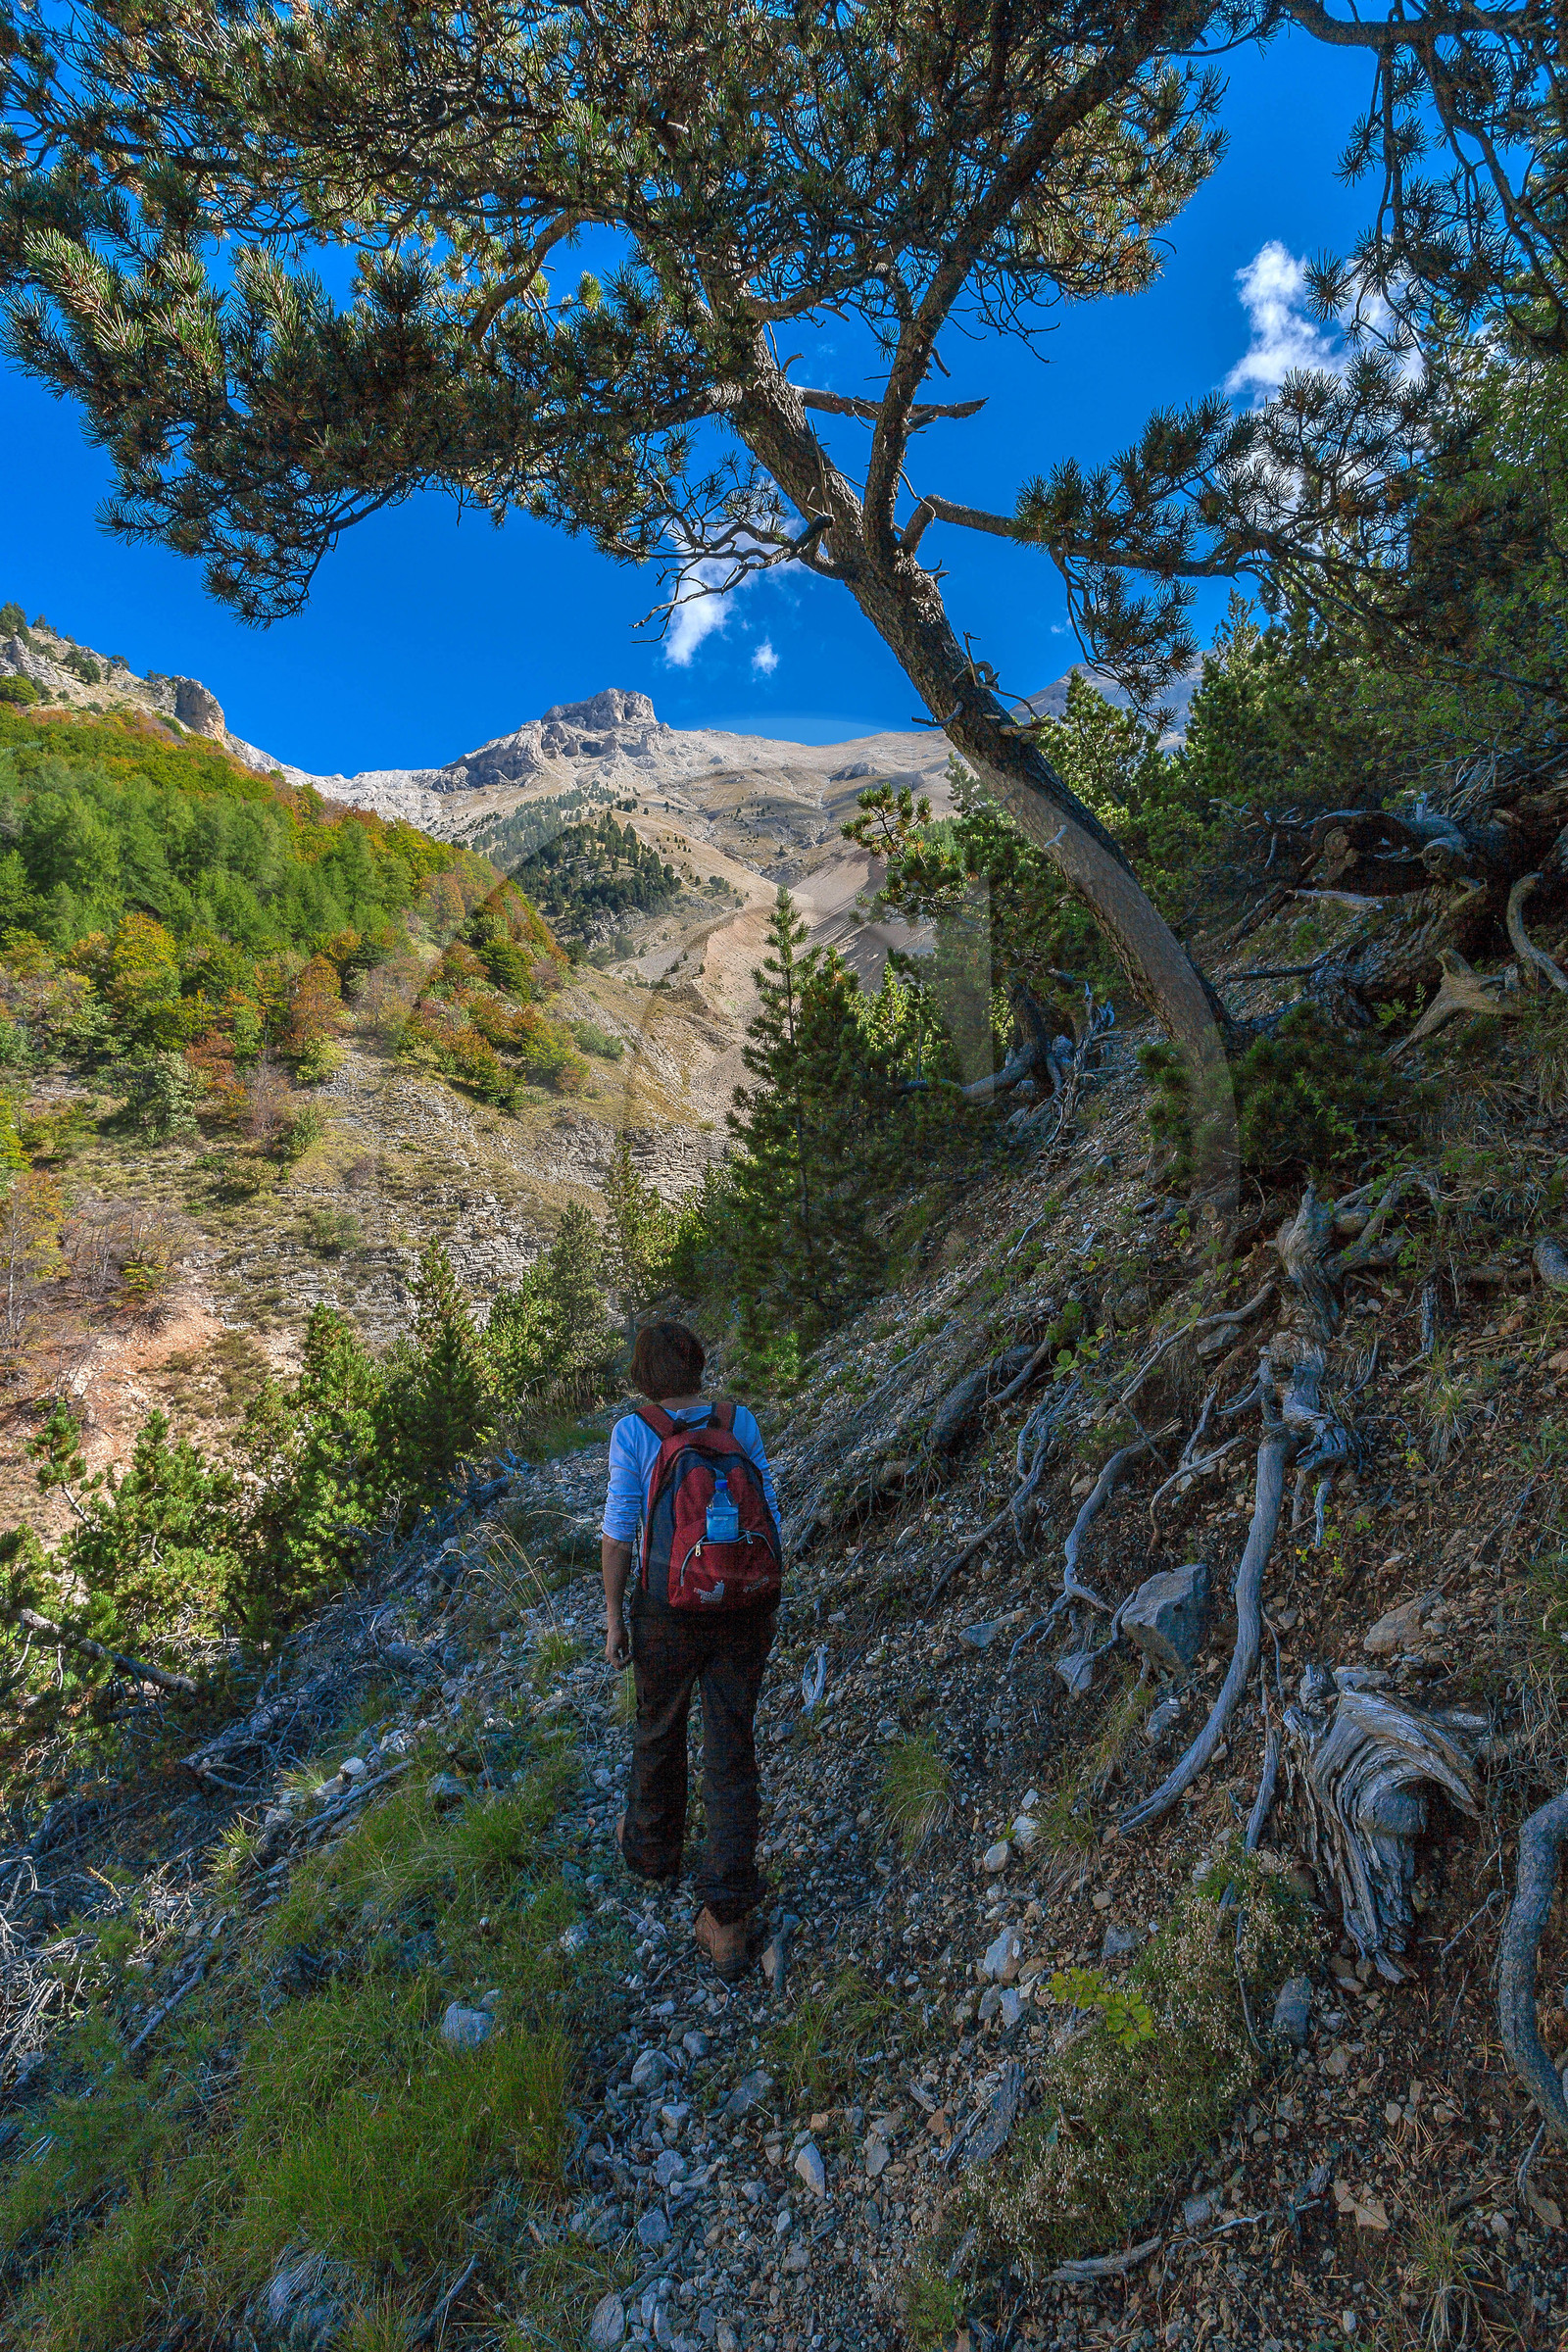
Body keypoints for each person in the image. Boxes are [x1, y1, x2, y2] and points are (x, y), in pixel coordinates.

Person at [601, 1319, 781, 1981]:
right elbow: (772, 1510)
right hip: (746, 1602)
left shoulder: (635, 1431)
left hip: (665, 1608)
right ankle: (727, 1921)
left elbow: (621, 1534)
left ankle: (652, 1853)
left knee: (659, 1729)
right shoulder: (740, 1420)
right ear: (699, 1366)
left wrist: (614, 1620)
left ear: (644, 1376)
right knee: (732, 1745)